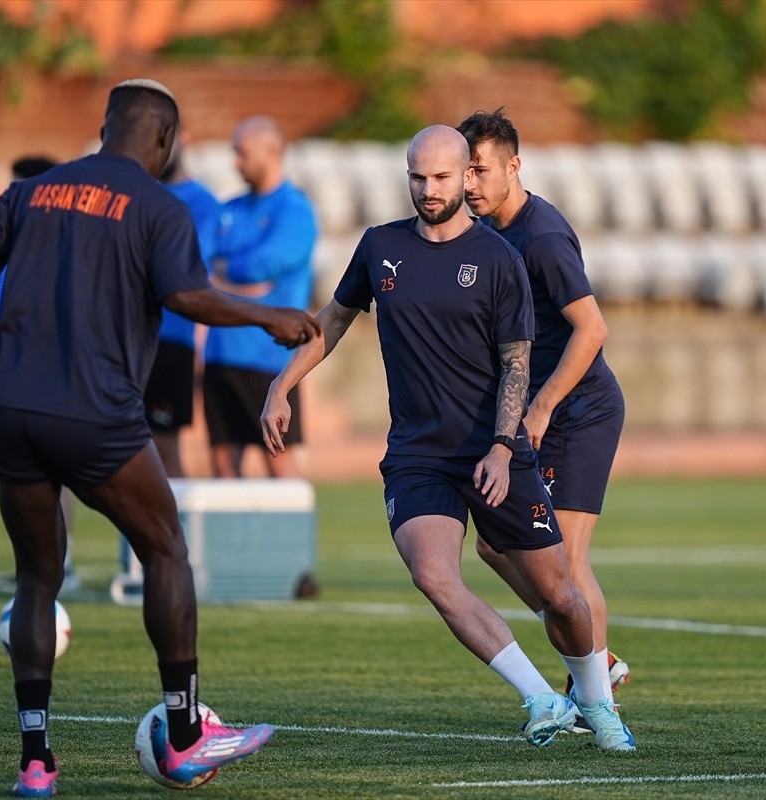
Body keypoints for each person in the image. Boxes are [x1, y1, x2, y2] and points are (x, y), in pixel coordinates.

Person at [0, 78, 320, 797]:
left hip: (8, 411)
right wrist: (267, 318)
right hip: (95, 414)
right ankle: (184, 735)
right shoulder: (161, 205)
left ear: (105, 125)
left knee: (38, 579)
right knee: (165, 547)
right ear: (166, 142)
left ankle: (37, 763)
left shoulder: (34, 191)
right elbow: (184, 297)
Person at [261, 125, 635, 752]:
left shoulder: (500, 258)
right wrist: (281, 385)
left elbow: (519, 360)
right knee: (434, 574)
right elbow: (333, 320)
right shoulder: (380, 248)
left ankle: (596, 700)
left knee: (560, 594)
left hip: (494, 450)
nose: (426, 189)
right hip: (417, 454)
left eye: (440, 178)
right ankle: (541, 697)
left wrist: (501, 447)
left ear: (465, 178)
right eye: (417, 176)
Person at [455, 109, 629, 722]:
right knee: (497, 551)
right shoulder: (484, 234)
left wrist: (542, 405)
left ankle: (597, 696)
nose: (469, 183)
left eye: (481, 170)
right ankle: (594, 659)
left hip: (577, 412)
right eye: (463, 170)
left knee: (566, 561)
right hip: (535, 414)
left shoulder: (543, 237)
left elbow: (591, 330)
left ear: (513, 167)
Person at [0, 155, 82, 595]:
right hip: (15, 374)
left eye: (16, 189)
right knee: (19, 471)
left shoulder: (69, 242)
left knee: (63, 467)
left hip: (61, 372)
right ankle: (35, 566)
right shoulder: (13, 243)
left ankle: (65, 560)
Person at [204, 115, 317, 478]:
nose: (236, 162)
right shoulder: (231, 208)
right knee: (223, 464)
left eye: (242, 153)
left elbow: (260, 265)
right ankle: (227, 538)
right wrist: (228, 276)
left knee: (278, 459)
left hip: (268, 359)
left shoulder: (295, 211)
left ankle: (295, 537)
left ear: (271, 151)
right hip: (220, 355)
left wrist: (219, 276)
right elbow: (199, 261)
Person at [153, 129, 221, 477]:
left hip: (171, 342)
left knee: (164, 444)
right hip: (126, 341)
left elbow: (195, 270)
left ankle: (171, 530)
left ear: (185, 139)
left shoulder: (203, 204)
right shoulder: (139, 195)